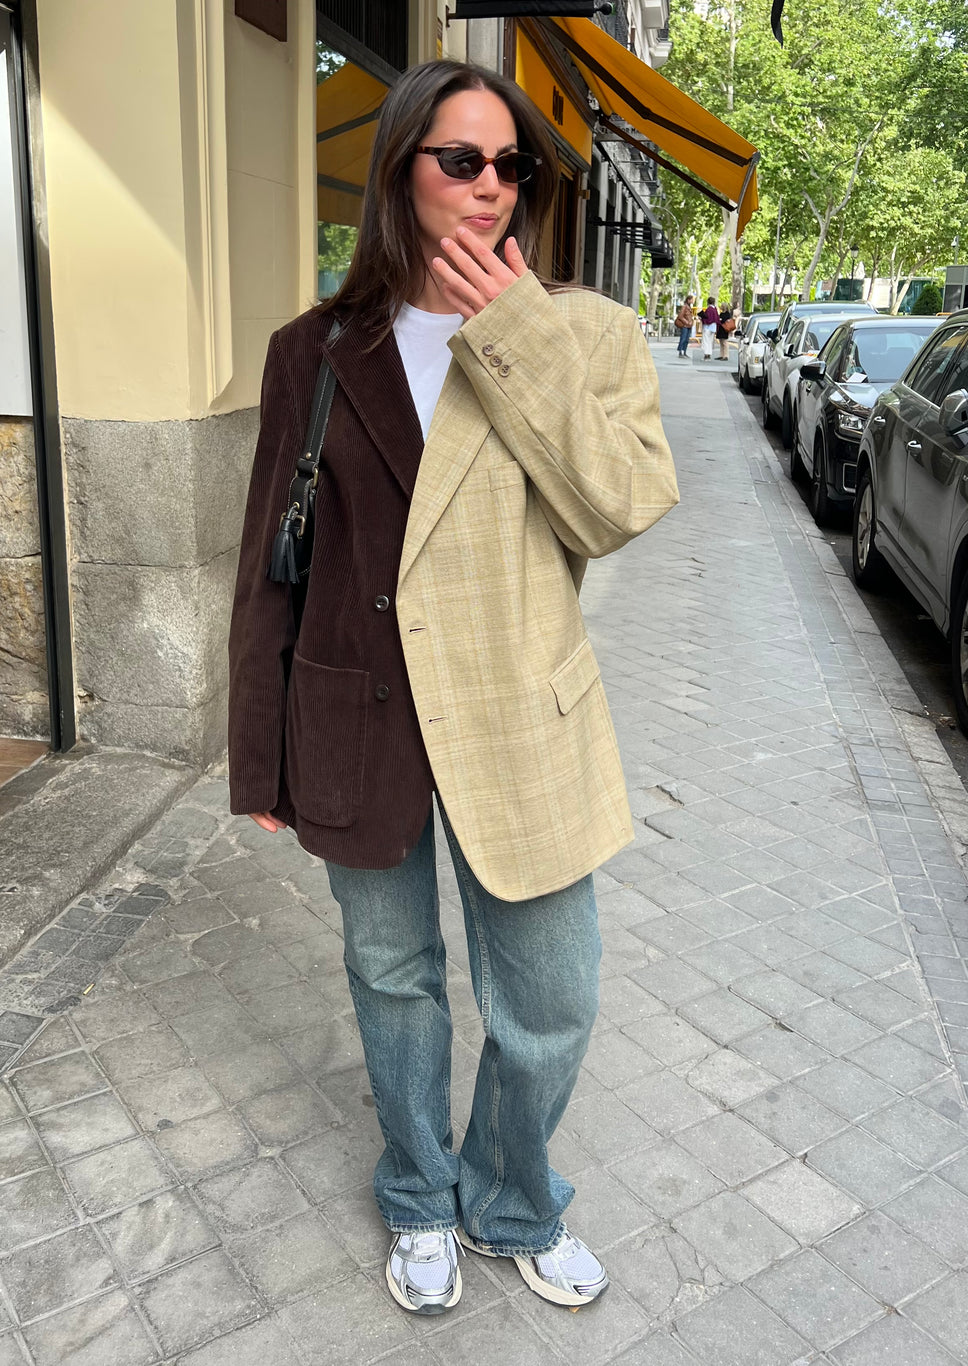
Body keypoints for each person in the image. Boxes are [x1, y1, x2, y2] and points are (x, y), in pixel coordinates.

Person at [228, 60, 678, 1319]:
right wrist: (259, 752)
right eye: (460, 160)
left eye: (510, 165)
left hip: (519, 711)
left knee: (552, 999)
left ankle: (512, 1198)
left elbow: (620, 506)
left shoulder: (586, 333)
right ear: (400, 170)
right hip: (353, 711)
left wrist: (515, 334)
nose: (490, 186)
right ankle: (422, 1193)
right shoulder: (315, 349)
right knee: (394, 977)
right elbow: (269, 561)